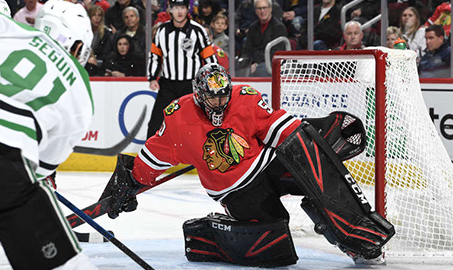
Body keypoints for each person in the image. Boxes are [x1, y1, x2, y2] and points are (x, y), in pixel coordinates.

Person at [101, 63, 395, 267]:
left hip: (267, 165)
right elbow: (151, 159)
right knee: (275, 250)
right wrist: (131, 181)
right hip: (234, 190)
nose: (217, 102)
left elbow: (282, 129)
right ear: (198, 94)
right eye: (210, 96)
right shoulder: (178, 119)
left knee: (311, 150)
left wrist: (320, 138)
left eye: (221, 95)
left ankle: (353, 231)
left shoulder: (244, 98)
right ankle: (211, 233)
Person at [0, 1, 97, 269]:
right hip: (0, 166)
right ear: (78, 46)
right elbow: (45, 163)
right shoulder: (79, 82)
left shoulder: (1, 25)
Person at [146, 0, 217, 138]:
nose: (179, 11)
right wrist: (152, 78)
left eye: (183, 8)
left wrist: (213, 79)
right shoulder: (162, 31)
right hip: (168, 85)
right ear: (170, 10)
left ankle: (205, 155)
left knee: (199, 122)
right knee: (155, 123)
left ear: (187, 9)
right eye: (176, 7)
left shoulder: (198, 30)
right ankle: (149, 157)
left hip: (191, 85)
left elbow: (209, 57)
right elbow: (155, 56)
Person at [239, 0, 287, 77]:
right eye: (259, 8)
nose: (262, 11)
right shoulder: (252, 28)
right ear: (255, 11)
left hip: (271, 64)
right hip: (254, 63)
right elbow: (247, 49)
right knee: (239, 68)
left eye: (264, 8)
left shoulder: (279, 28)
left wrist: (257, 63)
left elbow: (276, 53)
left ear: (270, 9)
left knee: (260, 70)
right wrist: (246, 62)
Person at [109, 6, 146, 76]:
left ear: (138, 18)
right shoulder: (117, 35)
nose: (129, 19)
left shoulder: (146, 35)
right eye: (126, 17)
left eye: (132, 16)